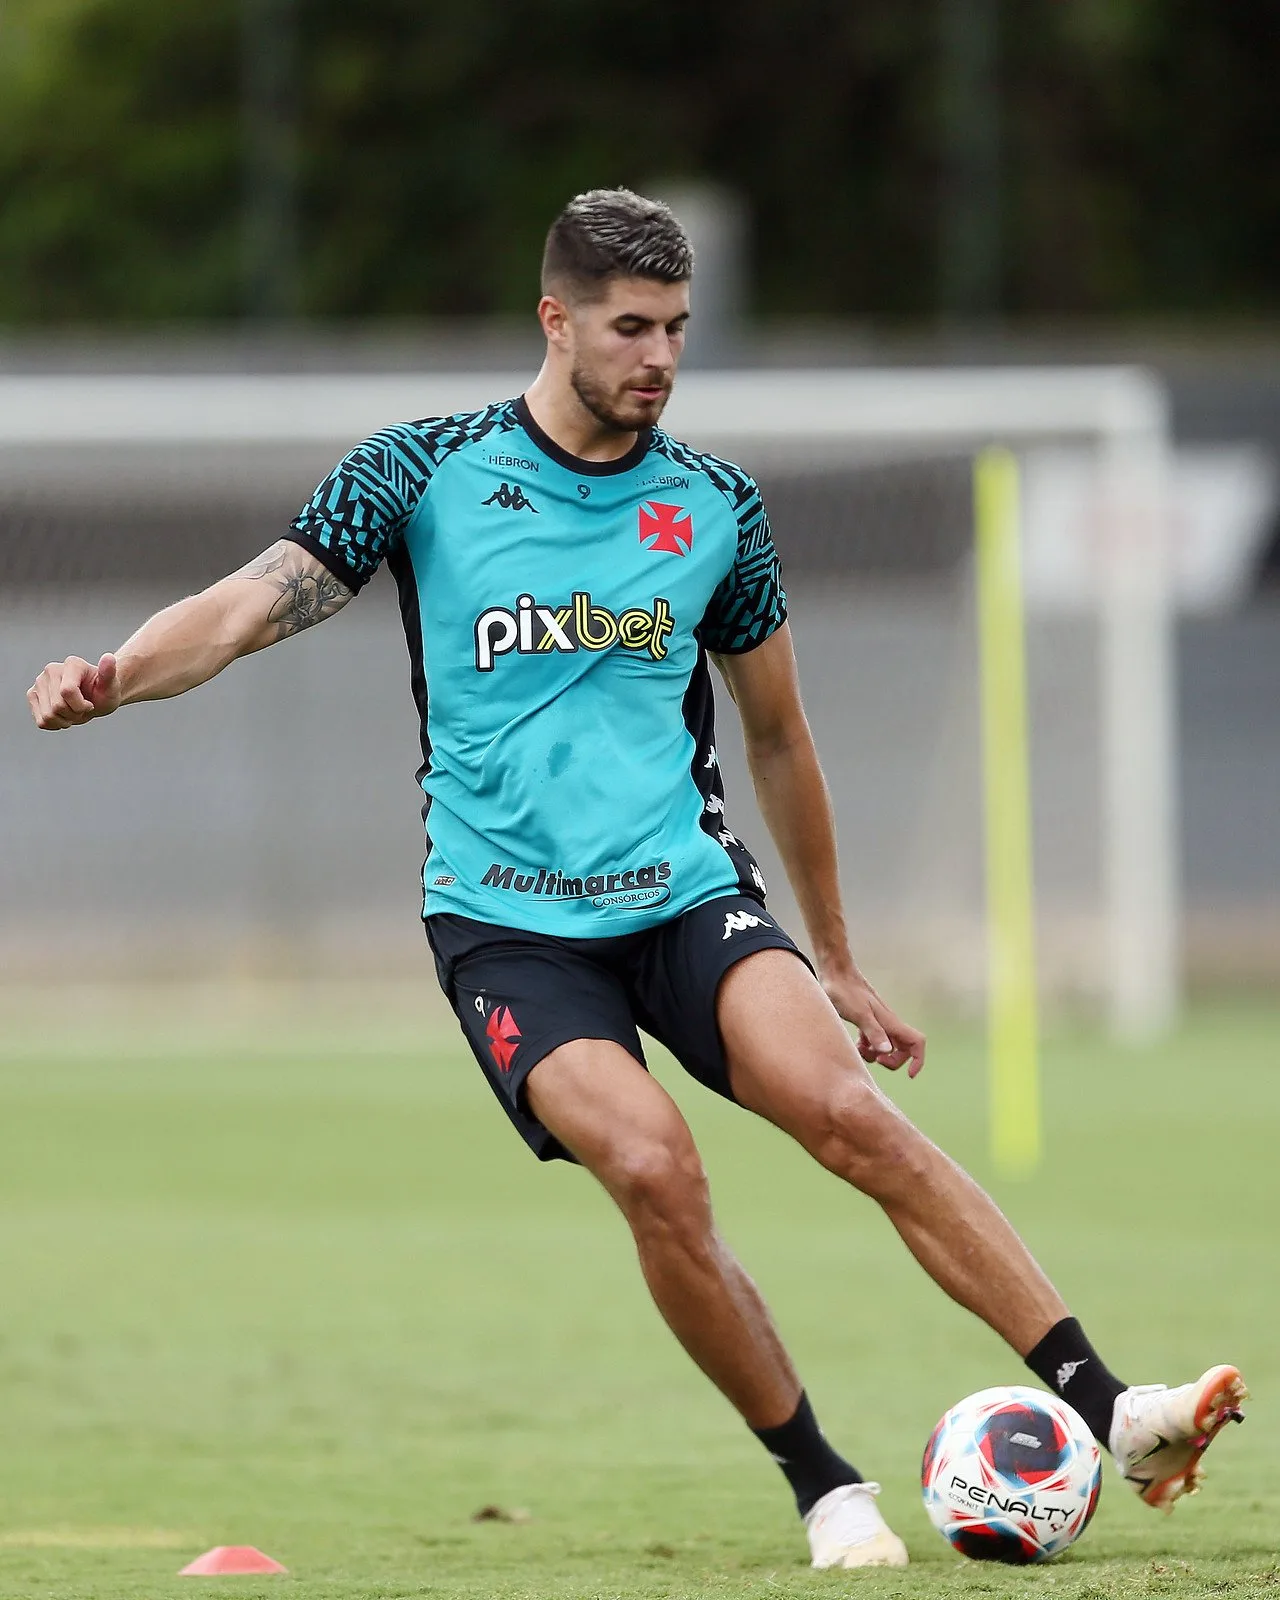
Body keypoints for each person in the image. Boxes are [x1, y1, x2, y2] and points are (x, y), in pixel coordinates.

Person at [27, 188, 1245, 1569]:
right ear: (557, 321)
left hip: (683, 897)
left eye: (674, 327)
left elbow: (780, 739)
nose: (658, 355)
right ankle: (824, 1485)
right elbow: (252, 602)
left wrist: (835, 955)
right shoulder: (422, 471)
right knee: (655, 1167)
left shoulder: (717, 507)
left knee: (848, 1114)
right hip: (506, 931)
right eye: (629, 327)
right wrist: (117, 677)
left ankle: (1114, 1405)